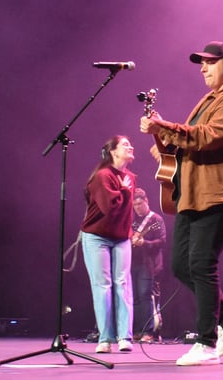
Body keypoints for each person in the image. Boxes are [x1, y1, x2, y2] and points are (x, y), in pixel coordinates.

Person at [139, 40, 223, 366]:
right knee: (181, 265)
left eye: (209, 63)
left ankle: (206, 343)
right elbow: (192, 140)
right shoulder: (208, 99)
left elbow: (208, 137)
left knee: (202, 264)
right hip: (192, 195)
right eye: (201, 63)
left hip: (219, 193)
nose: (203, 68)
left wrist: (165, 128)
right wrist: (165, 144)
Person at [80, 135, 137, 354]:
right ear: (113, 152)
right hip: (97, 236)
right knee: (103, 286)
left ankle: (125, 337)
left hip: (121, 237)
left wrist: (129, 232)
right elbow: (108, 207)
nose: (130, 147)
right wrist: (122, 190)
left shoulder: (130, 177)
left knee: (123, 284)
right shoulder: (102, 176)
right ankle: (104, 338)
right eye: (125, 145)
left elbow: (126, 210)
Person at [130, 187, 167, 343]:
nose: (138, 207)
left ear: (146, 201)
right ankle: (138, 330)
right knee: (136, 297)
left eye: (140, 204)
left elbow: (162, 241)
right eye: (135, 205)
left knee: (145, 296)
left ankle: (149, 331)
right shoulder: (131, 219)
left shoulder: (155, 220)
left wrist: (145, 243)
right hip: (132, 262)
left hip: (148, 264)